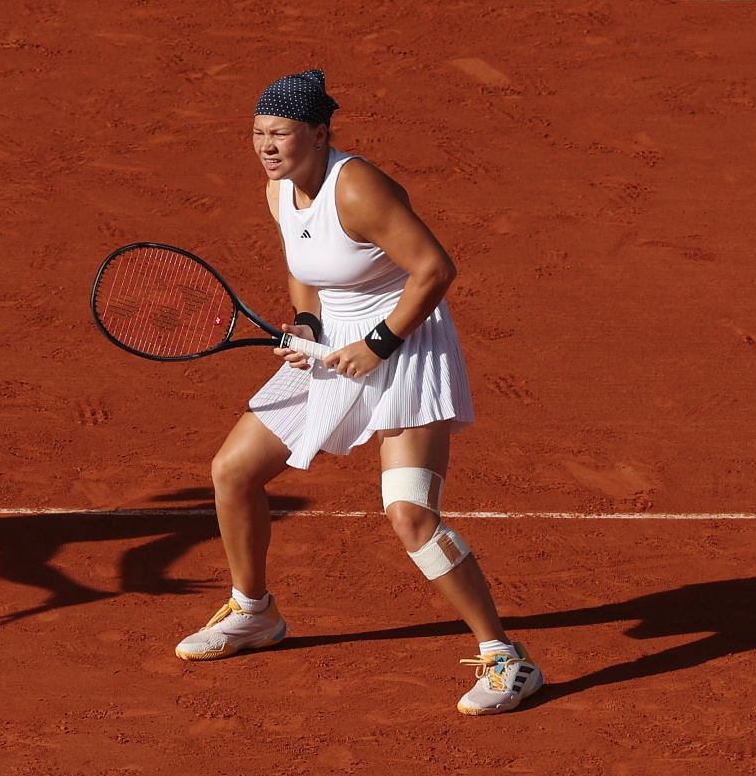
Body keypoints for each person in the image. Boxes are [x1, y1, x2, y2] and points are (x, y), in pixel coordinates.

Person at [172, 69, 539, 715]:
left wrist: (377, 345)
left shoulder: (358, 188)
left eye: (280, 132)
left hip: (406, 341)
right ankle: (254, 612)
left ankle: (505, 657)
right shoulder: (278, 191)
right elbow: (302, 267)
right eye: (258, 133)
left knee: (409, 512)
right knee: (232, 471)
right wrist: (308, 322)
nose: (267, 145)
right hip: (335, 345)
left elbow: (434, 269)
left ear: (318, 132)